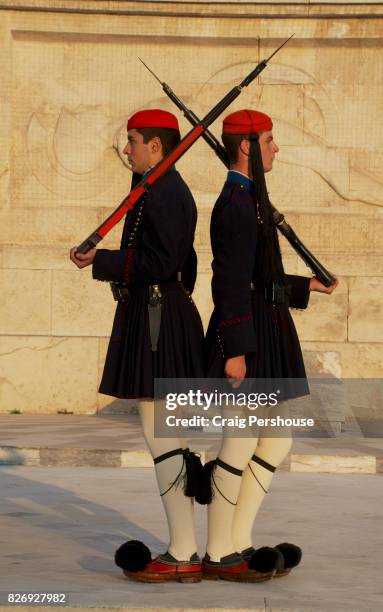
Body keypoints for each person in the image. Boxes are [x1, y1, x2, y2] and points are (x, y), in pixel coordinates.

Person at [201, 109, 339, 582]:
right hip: (249, 335)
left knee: (275, 441)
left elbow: (263, 277)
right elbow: (230, 281)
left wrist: (307, 287)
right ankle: (219, 551)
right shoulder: (236, 204)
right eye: (271, 140)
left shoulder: (251, 198)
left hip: (267, 327)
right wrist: (236, 349)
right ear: (247, 146)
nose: (276, 148)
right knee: (238, 441)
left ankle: (238, 541)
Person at [70, 109, 205, 583]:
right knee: (167, 438)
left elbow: (162, 260)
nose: (126, 149)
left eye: (132, 141)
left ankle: (184, 550)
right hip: (154, 314)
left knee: (163, 437)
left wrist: (101, 261)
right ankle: (185, 546)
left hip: (157, 317)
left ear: (156, 146)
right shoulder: (153, 187)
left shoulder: (166, 191)